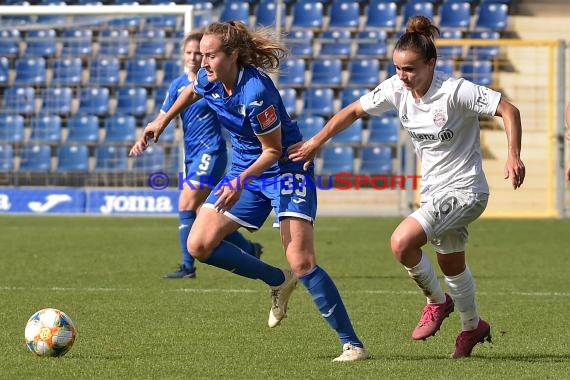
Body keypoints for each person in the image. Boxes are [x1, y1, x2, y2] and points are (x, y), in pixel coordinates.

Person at [289, 16, 525, 359]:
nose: (403, 75)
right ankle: (472, 326)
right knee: (451, 264)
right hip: (433, 192)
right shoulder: (396, 89)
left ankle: (436, 302)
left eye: (410, 69)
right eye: (398, 68)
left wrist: (513, 156)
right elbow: (354, 110)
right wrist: (315, 142)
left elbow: (508, 109)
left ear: (431, 63)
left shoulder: (455, 91)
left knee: (401, 242)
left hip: (465, 190)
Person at [133, 21, 369, 362]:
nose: (203, 63)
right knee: (199, 244)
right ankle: (277, 280)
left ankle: (353, 344)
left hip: (286, 169)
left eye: (211, 56)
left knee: (301, 261)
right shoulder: (208, 78)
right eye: (201, 55)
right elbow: (192, 91)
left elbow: (272, 151)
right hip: (246, 171)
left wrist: (237, 182)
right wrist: (163, 120)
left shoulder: (257, 93)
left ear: (233, 56)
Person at [130, 32, 262, 279]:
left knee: (186, 203)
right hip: (191, 155)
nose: (193, 58)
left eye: (198, 53)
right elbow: (163, 114)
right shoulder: (178, 85)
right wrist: (144, 136)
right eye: (189, 53)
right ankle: (249, 249)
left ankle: (187, 266)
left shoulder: (214, 83)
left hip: (211, 151)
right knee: (204, 213)